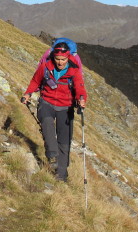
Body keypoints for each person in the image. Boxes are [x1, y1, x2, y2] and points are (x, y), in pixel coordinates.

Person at [21, 41, 87, 182]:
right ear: (53, 57)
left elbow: (80, 88)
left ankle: (61, 175)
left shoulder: (74, 71)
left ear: (69, 57)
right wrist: (28, 94)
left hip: (66, 107)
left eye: (63, 59)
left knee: (64, 141)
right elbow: (35, 81)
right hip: (47, 102)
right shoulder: (45, 67)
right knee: (47, 123)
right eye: (57, 59)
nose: (60, 62)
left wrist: (81, 99)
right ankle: (52, 155)